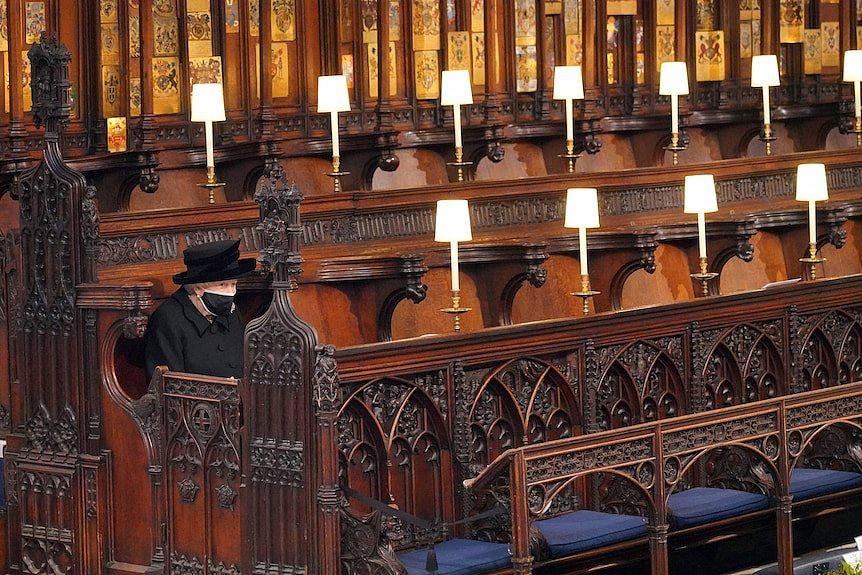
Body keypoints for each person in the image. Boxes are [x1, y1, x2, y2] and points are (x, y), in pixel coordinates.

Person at [144, 239, 255, 379]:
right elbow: (169, 387)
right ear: (198, 288)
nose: (230, 292)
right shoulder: (168, 319)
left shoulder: (232, 312)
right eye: (222, 284)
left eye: (233, 284)